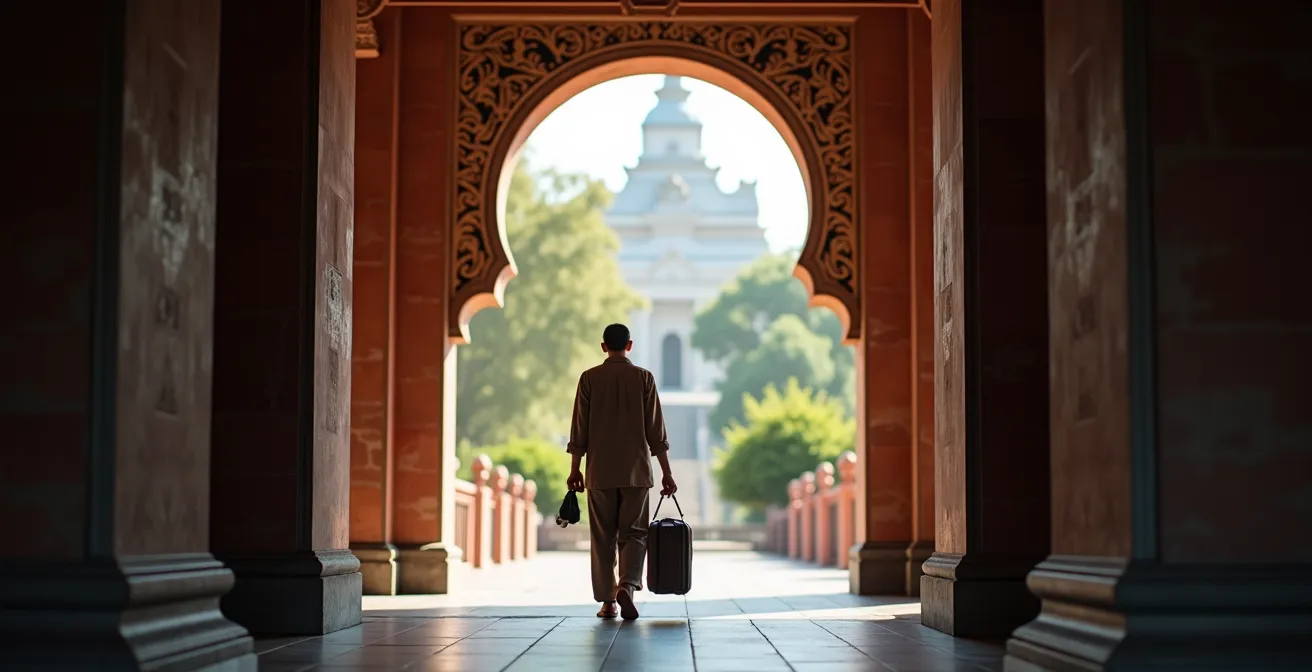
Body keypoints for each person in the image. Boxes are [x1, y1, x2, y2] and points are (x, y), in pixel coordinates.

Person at [566, 323, 677, 620]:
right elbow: (656, 432)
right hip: (636, 472)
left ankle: (607, 601)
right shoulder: (644, 379)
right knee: (635, 533)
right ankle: (627, 585)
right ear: (630, 345)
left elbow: (580, 429)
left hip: (600, 472)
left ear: (604, 346)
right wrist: (666, 472)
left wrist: (575, 469)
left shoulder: (589, 379)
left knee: (603, 537)